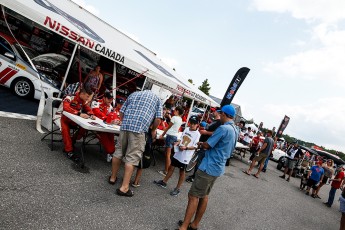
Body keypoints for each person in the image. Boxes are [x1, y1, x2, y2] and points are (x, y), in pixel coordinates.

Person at [178, 105, 237, 230]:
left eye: (220, 114)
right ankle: (194, 224)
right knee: (204, 195)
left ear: (225, 114)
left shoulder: (223, 128)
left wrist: (201, 144)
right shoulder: (235, 129)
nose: (219, 116)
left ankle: (183, 227)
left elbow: (207, 145)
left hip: (208, 166)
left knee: (193, 196)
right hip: (218, 167)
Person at [108, 90, 162, 197]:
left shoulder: (133, 94)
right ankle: (124, 188)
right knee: (132, 157)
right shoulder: (157, 99)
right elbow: (158, 119)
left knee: (118, 152)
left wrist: (124, 123)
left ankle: (112, 178)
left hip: (125, 126)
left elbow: (122, 112)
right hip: (139, 128)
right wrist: (153, 129)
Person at [154, 115, 201, 196]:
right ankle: (164, 182)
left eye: (194, 123)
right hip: (178, 152)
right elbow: (181, 139)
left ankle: (177, 189)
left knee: (182, 172)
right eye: (191, 123)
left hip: (185, 156)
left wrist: (186, 148)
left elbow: (195, 146)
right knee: (171, 167)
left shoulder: (197, 134)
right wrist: (177, 143)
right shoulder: (186, 129)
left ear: (197, 124)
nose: (192, 125)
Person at [185, 107, 222, 183]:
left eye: (214, 111)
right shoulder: (214, 121)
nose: (212, 112)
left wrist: (205, 132)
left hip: (206, 144)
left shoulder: (219, 123)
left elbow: (217, 134)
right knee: (198, 159)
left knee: (200, 161)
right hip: (202, 142)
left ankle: (194, 177)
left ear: (218, 112)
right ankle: (194, 175)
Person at [61, 87, 95, 161]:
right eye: (87, 96)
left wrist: (91, 114)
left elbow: (88, 108)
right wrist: (79, 113)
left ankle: (72, 141)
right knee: (65, 131)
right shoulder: (70, 97)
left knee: (85, 128)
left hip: (75, 121)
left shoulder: (82, 100)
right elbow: (65, 107)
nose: (88, 98)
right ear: (82, 94)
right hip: (65, 119)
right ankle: (69, 151)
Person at [157, 106, 184, 176]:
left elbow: (168, 127)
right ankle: (167, 171)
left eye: (175, 110)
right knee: (168, 154)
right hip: (174, 136)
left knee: (168, 155)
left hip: (170, 135)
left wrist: (162, 135)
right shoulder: (180, 119)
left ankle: (166, 171)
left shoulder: (174, 118)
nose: (173, 111)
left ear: (177, 111)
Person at [91, 91, 117, 162]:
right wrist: (106, 118)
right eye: (109, 99)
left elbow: (113, 116)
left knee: (111, 133)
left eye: (112, 99)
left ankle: (111, 152)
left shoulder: (110, 106)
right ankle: (111, 151)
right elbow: (96, 112)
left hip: (104, 125)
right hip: (94, 124)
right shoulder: (96, 102)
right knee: (104, 134)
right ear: (104, 98)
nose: (110, 100)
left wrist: (115, 120)